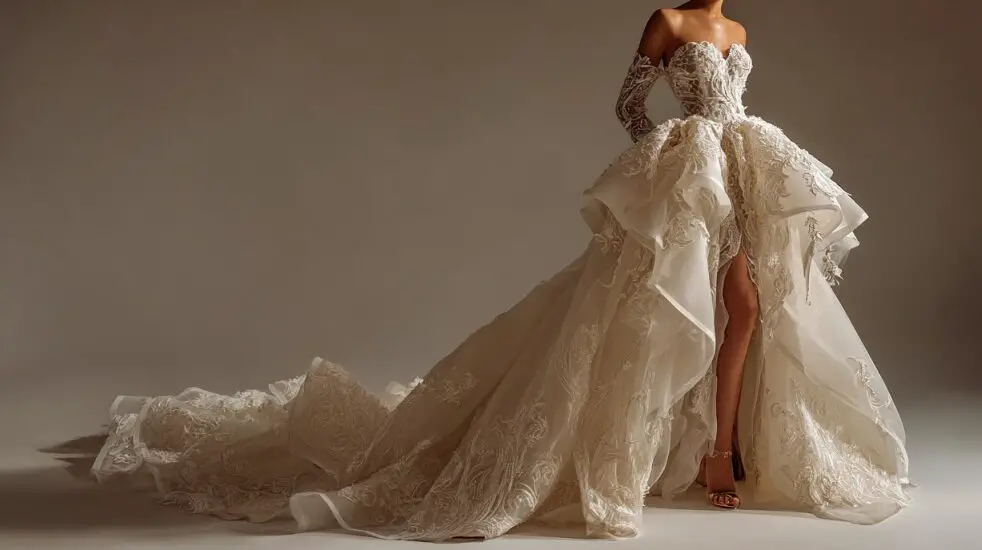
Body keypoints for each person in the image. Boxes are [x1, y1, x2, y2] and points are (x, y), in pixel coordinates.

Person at [89, 0, 911, 541]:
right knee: (678, 309)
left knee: (750, 307)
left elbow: (726, 102)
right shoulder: (667, 20)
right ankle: (696, 453)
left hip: (741, 166)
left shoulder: (739, 36)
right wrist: (667, 163)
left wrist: (715, 154)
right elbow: (630, 103)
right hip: (691, 175)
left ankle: (720, 448)